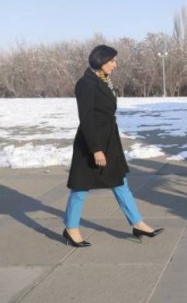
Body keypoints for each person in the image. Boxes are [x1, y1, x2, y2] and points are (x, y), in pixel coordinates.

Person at [63, 45, 163, 247]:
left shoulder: (103, 80)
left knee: (119, 182)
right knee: (81, 187)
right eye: (112, 61)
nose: (115, 64)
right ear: (100, 61)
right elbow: (86, 118)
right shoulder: (86, 83)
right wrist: (96, 149)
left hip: (109, 140)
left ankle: (137, 223)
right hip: (91, 142)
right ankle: (71, 228)